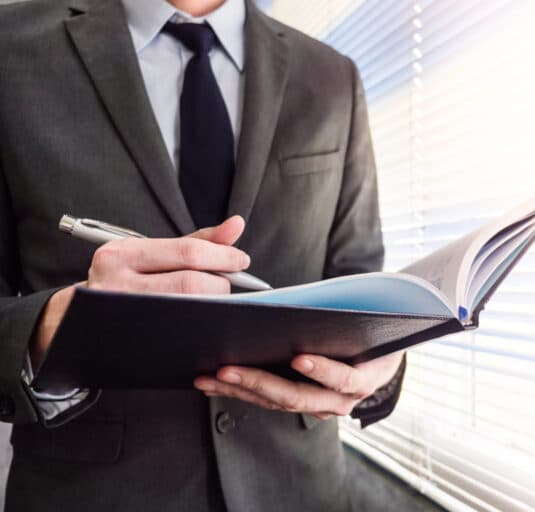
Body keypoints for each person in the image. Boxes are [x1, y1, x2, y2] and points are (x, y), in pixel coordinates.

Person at [0, 0, 406, 510]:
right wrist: (53, 326)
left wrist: (382, 363)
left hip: (301, 491)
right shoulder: (9, 49)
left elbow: (361, 282)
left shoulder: (332, 76)